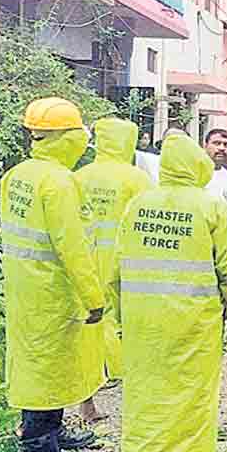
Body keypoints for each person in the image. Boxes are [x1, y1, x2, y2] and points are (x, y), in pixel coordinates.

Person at [112, 132, 227, 452]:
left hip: (143, 323)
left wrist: (121, 315)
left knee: (143, 396)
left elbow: (116, 268)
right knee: (193, 396)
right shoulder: (211, 206)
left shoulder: (137, 204)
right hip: (193, 323)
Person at [1, 97, 106, 452]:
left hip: (24, 285)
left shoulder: (18, 175)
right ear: (65, 137)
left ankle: (52, 431)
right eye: (79, 132)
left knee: (41, 360)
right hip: (52, 289)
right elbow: (73, 247)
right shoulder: (60, 182)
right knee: (47, 363)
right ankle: (38, 445)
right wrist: (93, 297)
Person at [72, 117, 152, 418]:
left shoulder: (79, 177)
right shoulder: (138, 179)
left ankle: (87, 396)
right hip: (125, 262)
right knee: (125, 323)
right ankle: (125, 381)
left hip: (85, 259)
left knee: (90, 323)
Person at [203, 128, 227, 213]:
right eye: (216, 143)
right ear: (205, 146)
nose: (222, 148)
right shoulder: (192, 173)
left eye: (226, 144)